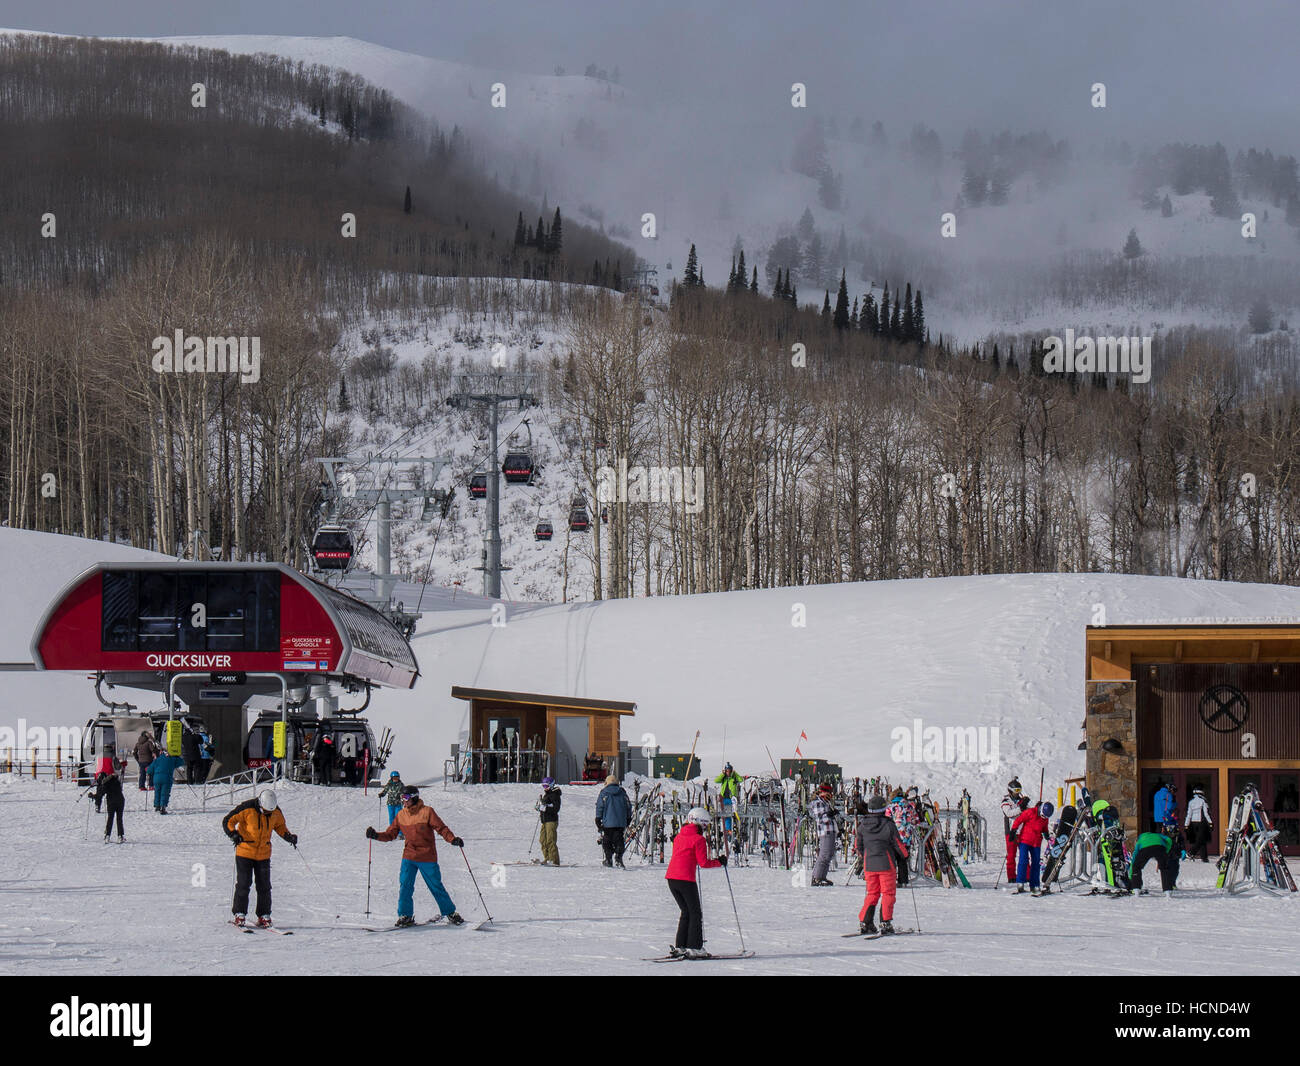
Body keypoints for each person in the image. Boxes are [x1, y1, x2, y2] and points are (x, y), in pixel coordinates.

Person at [366, 786, 465, 927]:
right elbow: (390, 834)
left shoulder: (427, 812)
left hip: (427, 856)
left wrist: (452, 839)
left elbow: (441, 828)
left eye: (406, 798)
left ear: (414, 797)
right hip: (409, 856)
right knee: (405, 885)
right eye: (402, 798)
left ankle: (450, 912)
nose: (403, 801)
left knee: (435, 885)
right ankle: (405, 915)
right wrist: (375, 835)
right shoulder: (401, 815)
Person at [223, 789, 297, 927]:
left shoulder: (275, 811)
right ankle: (239, 914)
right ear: (260, 804)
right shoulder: (247, 808)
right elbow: (228, 820)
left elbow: (280, 826)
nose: (268, 814)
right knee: (244, 884)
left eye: (270, 812)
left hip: (263, 853)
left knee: (264, 886)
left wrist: (288, 836)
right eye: (265, 811)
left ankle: (264, 915)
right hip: (245, 852)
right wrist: (233, 834)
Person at [664, 807, 724, 958]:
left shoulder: (678, 836)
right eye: (705, 826)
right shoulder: (698, 839)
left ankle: (681, 946)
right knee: (695, 913)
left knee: (686, 912)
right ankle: (694, 947)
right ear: (700, 824)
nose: (705, 829)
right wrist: (719, 862)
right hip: (686, 880)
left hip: (672, 879)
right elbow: (703, 863)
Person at [856, 794, 909, 934]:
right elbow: (898, 844)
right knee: (888, 893)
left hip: (869, 864)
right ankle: (885, 922)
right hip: (886, 864)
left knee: (872, 893)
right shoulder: (888, 824)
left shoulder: (862, 825)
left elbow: (858, 846)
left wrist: (865, 855)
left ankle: (865, 922)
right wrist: (905, 855)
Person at [1128, 821, 1182, 895]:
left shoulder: (1139, 840)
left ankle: (1136, 889)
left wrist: (1131, 873)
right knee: (1165, 868)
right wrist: (1166, 850)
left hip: (1145, 849)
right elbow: (1169, 840)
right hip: (1160, 848)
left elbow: (1134, 857)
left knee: (1136, 867)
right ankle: (1168, 890)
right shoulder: (1158, 835)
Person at [1011, 800, 1051, 894]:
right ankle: (1020, 883)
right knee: (1023, 861)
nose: (1044, 818)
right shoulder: (1030, 812)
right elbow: (1019, 820)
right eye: (1043, 815)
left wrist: (1046, 833)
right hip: (1025, 840)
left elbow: (1044, 827)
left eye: (1046, 817)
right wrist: (1013, 830)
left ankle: (1035, 885)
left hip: (1036, 842)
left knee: (1036, 863)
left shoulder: (1045, 818)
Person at [595, 774, 631, 868]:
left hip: (608, 822)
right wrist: (628, 818)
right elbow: (628, 806)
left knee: (607, 840)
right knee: (619, 840)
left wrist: (598, 819)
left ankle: (608, 859)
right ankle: (618, 858)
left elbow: (600, 806)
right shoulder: (622, 792)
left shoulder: (604, 793)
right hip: (620, 822)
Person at [884, 788, 917, 885]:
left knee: (891, 860)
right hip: (906, 838)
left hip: (892, 838)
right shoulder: (909, 807)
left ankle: (891, 880)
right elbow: (914, 820)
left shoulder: (890, 808)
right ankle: (903, 881)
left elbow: (886, 821)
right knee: (903, 860)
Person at [809, 783, 840, 886]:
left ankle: (822, 876)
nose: (830, 795)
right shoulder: (818, 802)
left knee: (829, 854)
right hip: (825, 831)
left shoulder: (825, 802)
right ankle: (817, 877)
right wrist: (830, 815)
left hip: (830, 831)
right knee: (824, 855)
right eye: (829, 792)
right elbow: (821, 818)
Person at [1000, 778, 1025, 883]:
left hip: (1022, 831)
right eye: (1016, 791)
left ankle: (1026, 876)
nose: (1017, 794)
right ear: (1010, 791)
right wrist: (1020, 808)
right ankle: (1011, 877)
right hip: (1011, 832)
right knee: (1011, 855)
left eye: (1019, 791)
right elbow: (1009, 813)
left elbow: (1029, 812)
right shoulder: (1006, 802)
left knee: (1024, 855)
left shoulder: (1022, 800)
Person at [94, 769, 126, 843]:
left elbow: (100, 795)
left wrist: (93, 796)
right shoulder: (117, 782)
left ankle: (107, 835)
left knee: (110, 818)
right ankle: (120, 836)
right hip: (120, 800)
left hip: (111, 802)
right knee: (119, 819)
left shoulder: (106, 784)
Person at [537, 776, 562, 865]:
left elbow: (556, 808)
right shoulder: (547, 794)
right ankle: (547, 858)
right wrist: (539, 807)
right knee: (542, 840)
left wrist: (545, 808)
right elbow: (544, 805)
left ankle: (554, 860)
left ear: (551, 785)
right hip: (544, 820)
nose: (545, 788)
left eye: (546, 786)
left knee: (550, 840)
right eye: (543, 786)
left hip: (551, 820)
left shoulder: (555, 794)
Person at [150, 748, 184, 814]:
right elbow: (181, 762)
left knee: (157, 792)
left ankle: (157, 806)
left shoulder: (157, 760)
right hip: (167, 779)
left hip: (156, 779)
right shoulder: (172, 759)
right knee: (164, 793)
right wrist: (176, 756)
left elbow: (150, 770)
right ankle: (163, 807)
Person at [1183, 787, 1212, 862]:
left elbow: (1189, 814)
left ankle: (1204, 857)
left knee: (1201, 839)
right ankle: (1191, 852)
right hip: (1201, 822)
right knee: (1201, 840)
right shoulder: (1203, 801)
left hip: (1193, 823)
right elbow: (1206, 813)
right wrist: (1210, 822)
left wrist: (1186, 824)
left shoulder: (1191, 802)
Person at [714, 762, 743, 835]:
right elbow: (716, 780)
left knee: (732, 813)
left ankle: (732, 828)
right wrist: (722, 774)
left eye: (729, 770)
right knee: (725, 814)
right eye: (727, 771)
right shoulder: (723, 778)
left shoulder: (734, 777)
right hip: (723, 798)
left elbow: (741, 780)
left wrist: (735, 774)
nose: (728, 772)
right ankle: (725, 829)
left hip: (732, 798)